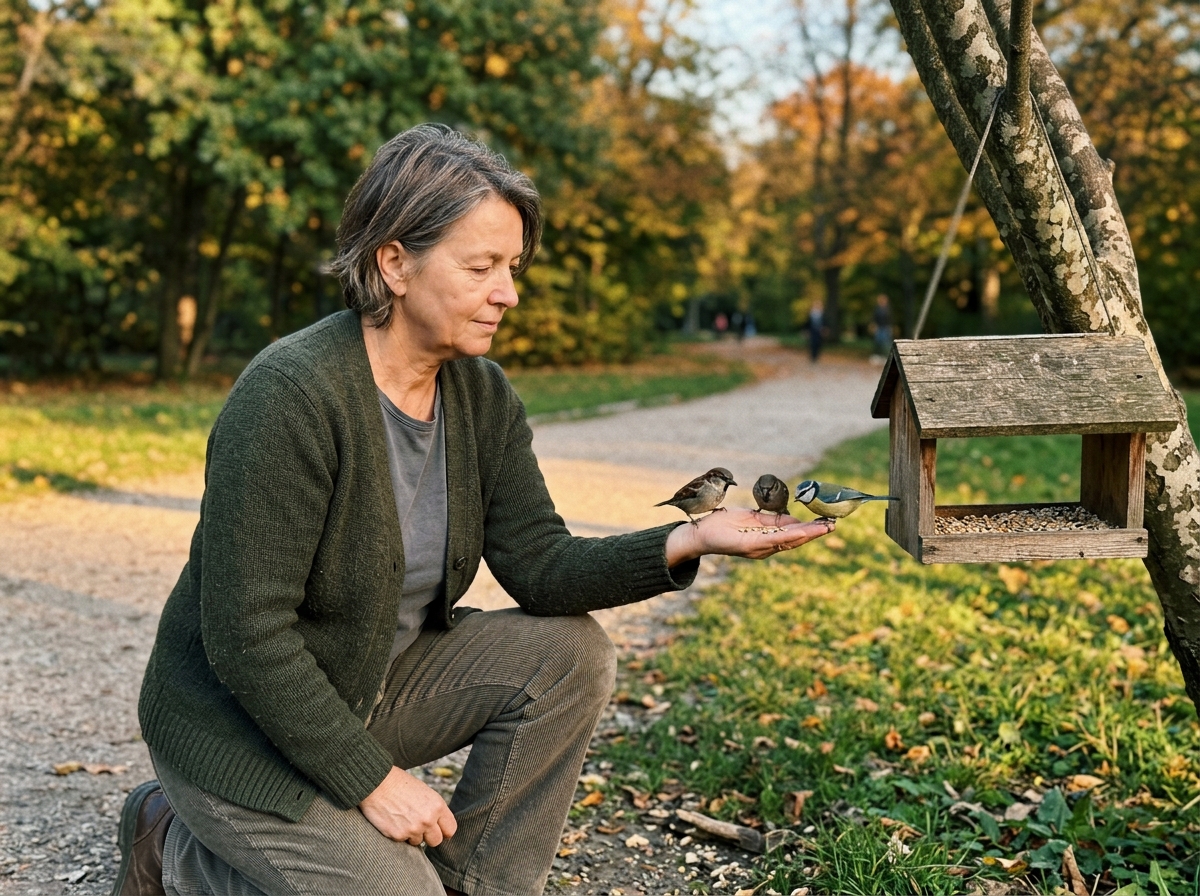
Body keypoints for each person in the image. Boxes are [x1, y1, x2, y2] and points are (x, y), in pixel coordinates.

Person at [111, 125, 833, 896]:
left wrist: (689, 539)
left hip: (364, 689)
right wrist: (372, 780)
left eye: (512, 267)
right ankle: (169, 843)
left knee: (571, 657)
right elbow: (247, 637)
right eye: (481, 266)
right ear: (394, 262)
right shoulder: (290, 396)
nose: (508, 293)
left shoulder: (480, 395)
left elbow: (543, 568)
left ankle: (475, 885)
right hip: (240, 729)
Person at [872, 293, 893, 358]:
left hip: (886, 327)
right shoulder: (877, 309)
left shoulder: (888, 309)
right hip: (879, 327)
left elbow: (890, 319)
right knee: (878, 342)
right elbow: (874, 318)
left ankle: (887, 356)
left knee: (886, 342)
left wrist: (890, 327)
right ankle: (878, 355)